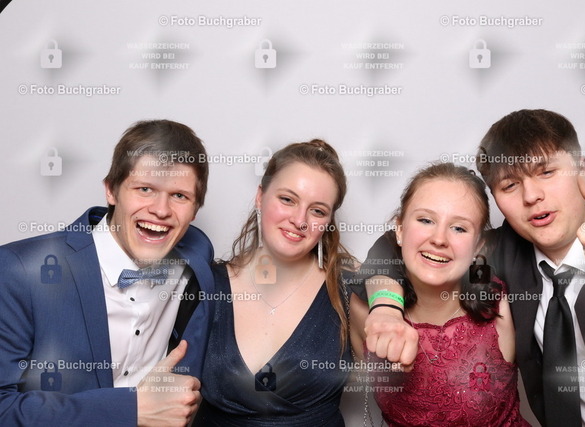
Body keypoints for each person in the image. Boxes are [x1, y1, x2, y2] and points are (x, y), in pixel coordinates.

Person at [359, 109, 585, 426]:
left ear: (582, 168)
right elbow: (395, 245)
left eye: (547, 172)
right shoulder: (502, 252)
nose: (532, 196)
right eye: (510, 185)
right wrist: (386, 306)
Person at [0, 120, 215, 426]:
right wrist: (131, 409)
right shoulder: (19, 270)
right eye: (145, 189)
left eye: (179, 196)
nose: (161, 210)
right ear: (111, 190)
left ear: (195, 210)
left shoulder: (196, 256)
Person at [194, 139, 362, 426]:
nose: (300, 220)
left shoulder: (348, 289)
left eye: (318, 210)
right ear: (260, 197)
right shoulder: (207, 283)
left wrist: (386, 296)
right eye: (287, 199)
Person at [350, 163, 529, 426]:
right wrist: (386, 306)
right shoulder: (365, 311)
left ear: (478, 247)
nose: (439, 239)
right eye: (425, 220)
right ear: (399, 229)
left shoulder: (502, 302)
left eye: (459, 228)